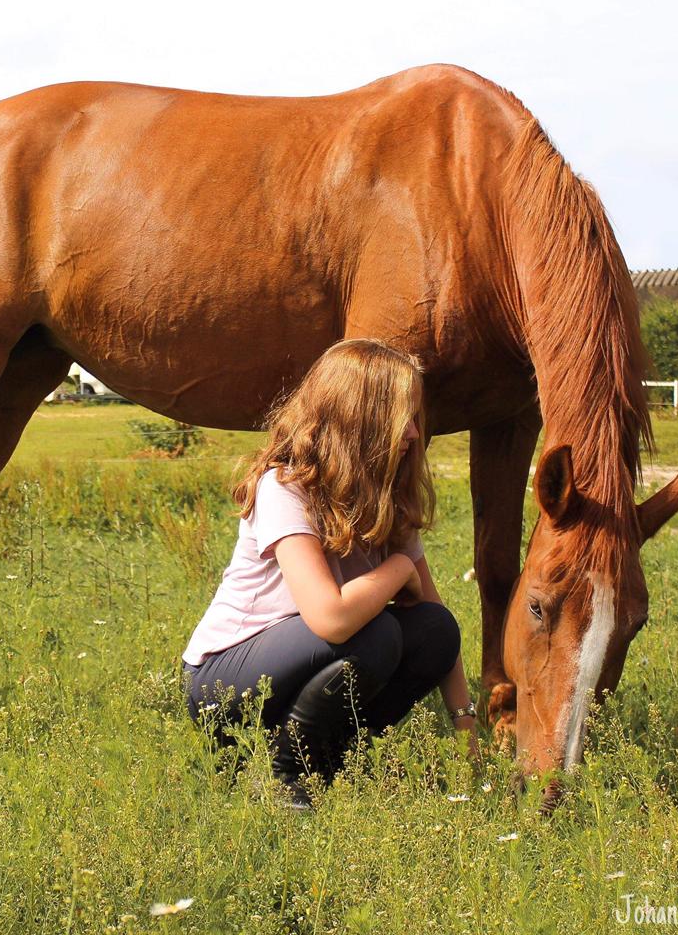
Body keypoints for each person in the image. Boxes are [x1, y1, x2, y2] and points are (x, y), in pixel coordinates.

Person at [181, 338, 478, 809]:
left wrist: (468, 735)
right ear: (362, 420)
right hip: (225, 680)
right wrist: (400, 567)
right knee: (375, 632)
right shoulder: (286, 487)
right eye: (404, 419)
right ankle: (284, 774)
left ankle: (328, 758)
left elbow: (438, 624)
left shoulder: (387, 498)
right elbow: (331, 620)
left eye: (417, 419)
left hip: (307, 662)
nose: (415, 434)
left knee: (434, 630)